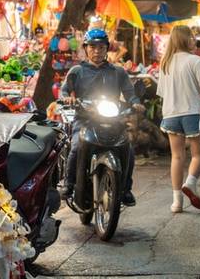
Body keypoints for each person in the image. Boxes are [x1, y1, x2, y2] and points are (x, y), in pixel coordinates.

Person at [60, 28, 142, 206]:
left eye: (101, 47)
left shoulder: (118, 72)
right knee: (75, 146)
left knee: (128, 149)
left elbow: (130, 94)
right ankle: (69, 184)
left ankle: (126, 189)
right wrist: (67, 97)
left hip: (113, 120)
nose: (97, 51)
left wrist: (136, 103)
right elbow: (64, 90)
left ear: (107, 49)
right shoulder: (77, 71)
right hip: (85, 119)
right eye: (93, 47)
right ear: (86, 48)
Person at [157, 25, 200, 212]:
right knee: (198, 154)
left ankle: (176, 202)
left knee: (177, 157)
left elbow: (161, 92)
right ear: (184, 39)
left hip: (171, 114)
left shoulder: (165, 63)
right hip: (193, 112)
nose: (194, 40)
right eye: (192, 37)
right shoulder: (195, 61)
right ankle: (191, 183)